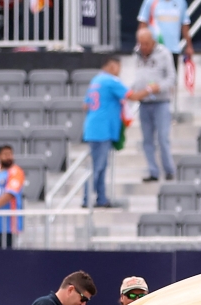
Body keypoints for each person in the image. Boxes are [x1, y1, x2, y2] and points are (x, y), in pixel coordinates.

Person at [82, 56, 154, 208]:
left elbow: (85, 105)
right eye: (118, 66)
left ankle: (101, 199)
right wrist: (150, 89)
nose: (119, 70)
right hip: (102, 129)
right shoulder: (110, 81)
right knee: (97, 167)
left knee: (100, 166)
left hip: (93, 127)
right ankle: (86, 200)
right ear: (111, 65)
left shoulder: (96, 80)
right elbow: (132, 96)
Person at [133, 28, 177, 183]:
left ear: (152, 41)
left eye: (146, 43)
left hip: (161, 102)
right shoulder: (136, 53)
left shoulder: (164, 53)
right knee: (147, 140)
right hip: (144, 103)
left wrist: (158, 87)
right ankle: (153, 171)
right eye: (141, 44)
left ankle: (169, 170)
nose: (144, 47)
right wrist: (135, 90)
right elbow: (138, 75)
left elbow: (172, 78)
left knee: (163, 138)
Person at [137, 0, 193, 73]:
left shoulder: (181, 2)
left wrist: (189, 46)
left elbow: (185, 25)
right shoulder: (150, 1)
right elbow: (143, 24)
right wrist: (140, 44)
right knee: (153, 79)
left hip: (173, 49)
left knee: (171, 79)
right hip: (154, 50)